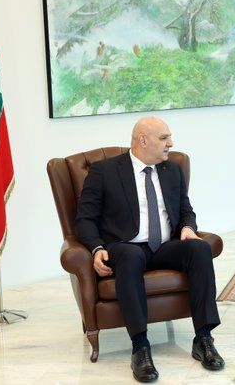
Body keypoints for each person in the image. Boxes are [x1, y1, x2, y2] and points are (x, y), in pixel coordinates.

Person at [75, 116, 223, 383]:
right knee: (131, 256)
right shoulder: (104, 171)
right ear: (143, 140)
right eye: (164, 137)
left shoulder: (172, 170)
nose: (171, 143)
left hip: (165, 246)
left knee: (199, 249)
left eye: (169, 137)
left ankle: (203, 338)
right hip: (125, 247)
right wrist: (96, 248)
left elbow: (186, 211)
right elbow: (85, 219)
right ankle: (140, 347)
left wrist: (188, 228)